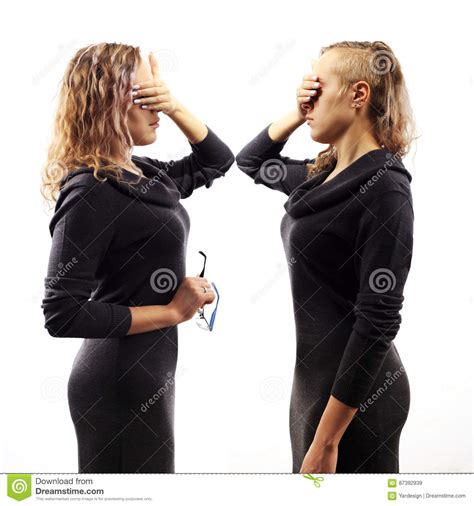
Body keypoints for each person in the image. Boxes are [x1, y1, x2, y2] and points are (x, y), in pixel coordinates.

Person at [40, 42, 234, 473]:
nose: (158, 109)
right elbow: (61, 314)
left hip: (149, 375)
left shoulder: (144, 173)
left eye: (159, 95)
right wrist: (171, 312)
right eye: (147, 96)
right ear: (111, 99)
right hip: (115, 382)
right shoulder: (91, 190)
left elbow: (217, 161)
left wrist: (176, 103)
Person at [236, 40, 416, 473]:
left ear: (358, 95)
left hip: (358, 399)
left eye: (318, 88)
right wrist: (299, 113)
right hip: (312, 387)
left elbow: (378, 319)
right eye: (306, 89)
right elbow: (251, 161)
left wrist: (328, 439)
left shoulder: (386, 188)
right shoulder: (321, 176)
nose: (308, 97)